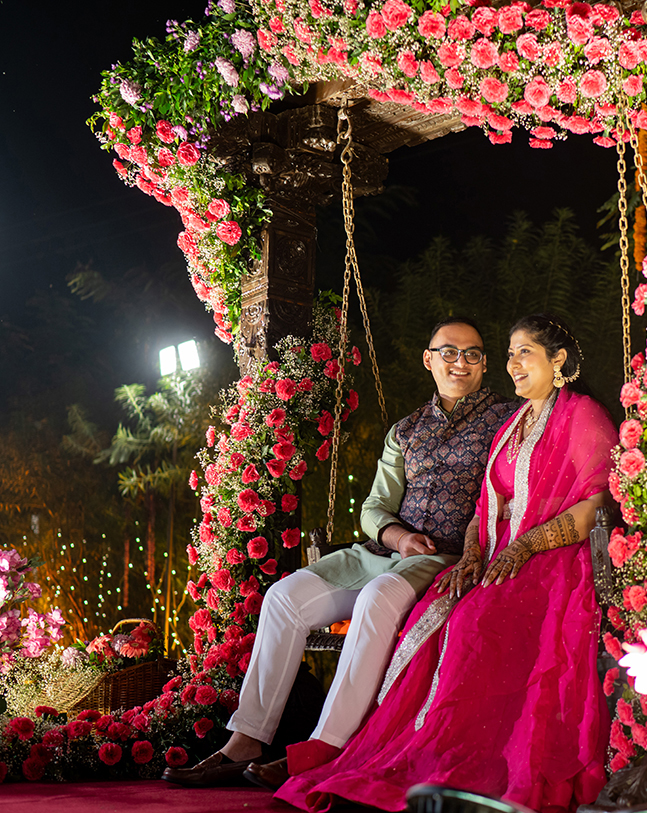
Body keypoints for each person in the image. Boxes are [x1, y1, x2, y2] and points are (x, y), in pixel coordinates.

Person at [276, 314, 618, 813]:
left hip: (554, 561)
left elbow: (596, 505)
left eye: (524, 352)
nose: (513, 364)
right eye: (511, 353)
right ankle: (397, 751)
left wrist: (524, 548)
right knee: (440, 608)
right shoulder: (513, 423)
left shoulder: (582, 414)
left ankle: (464, 760)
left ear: (559, 359)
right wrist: (475, 555)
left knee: (476, 623)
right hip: (497, 560)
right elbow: (486, 504)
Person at [164, 316, 516, 788]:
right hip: (383, 550)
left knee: (374, 599)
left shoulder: (507, 420)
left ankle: (326, 745)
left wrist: (442, 548)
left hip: (445, 558)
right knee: (283, 598)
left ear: (485, 363)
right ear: (429, 360)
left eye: (472, 353)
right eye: (448, 352)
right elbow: (374, 506)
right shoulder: (406, 430)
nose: (460, 362)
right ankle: (246, 739)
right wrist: (397, 537)